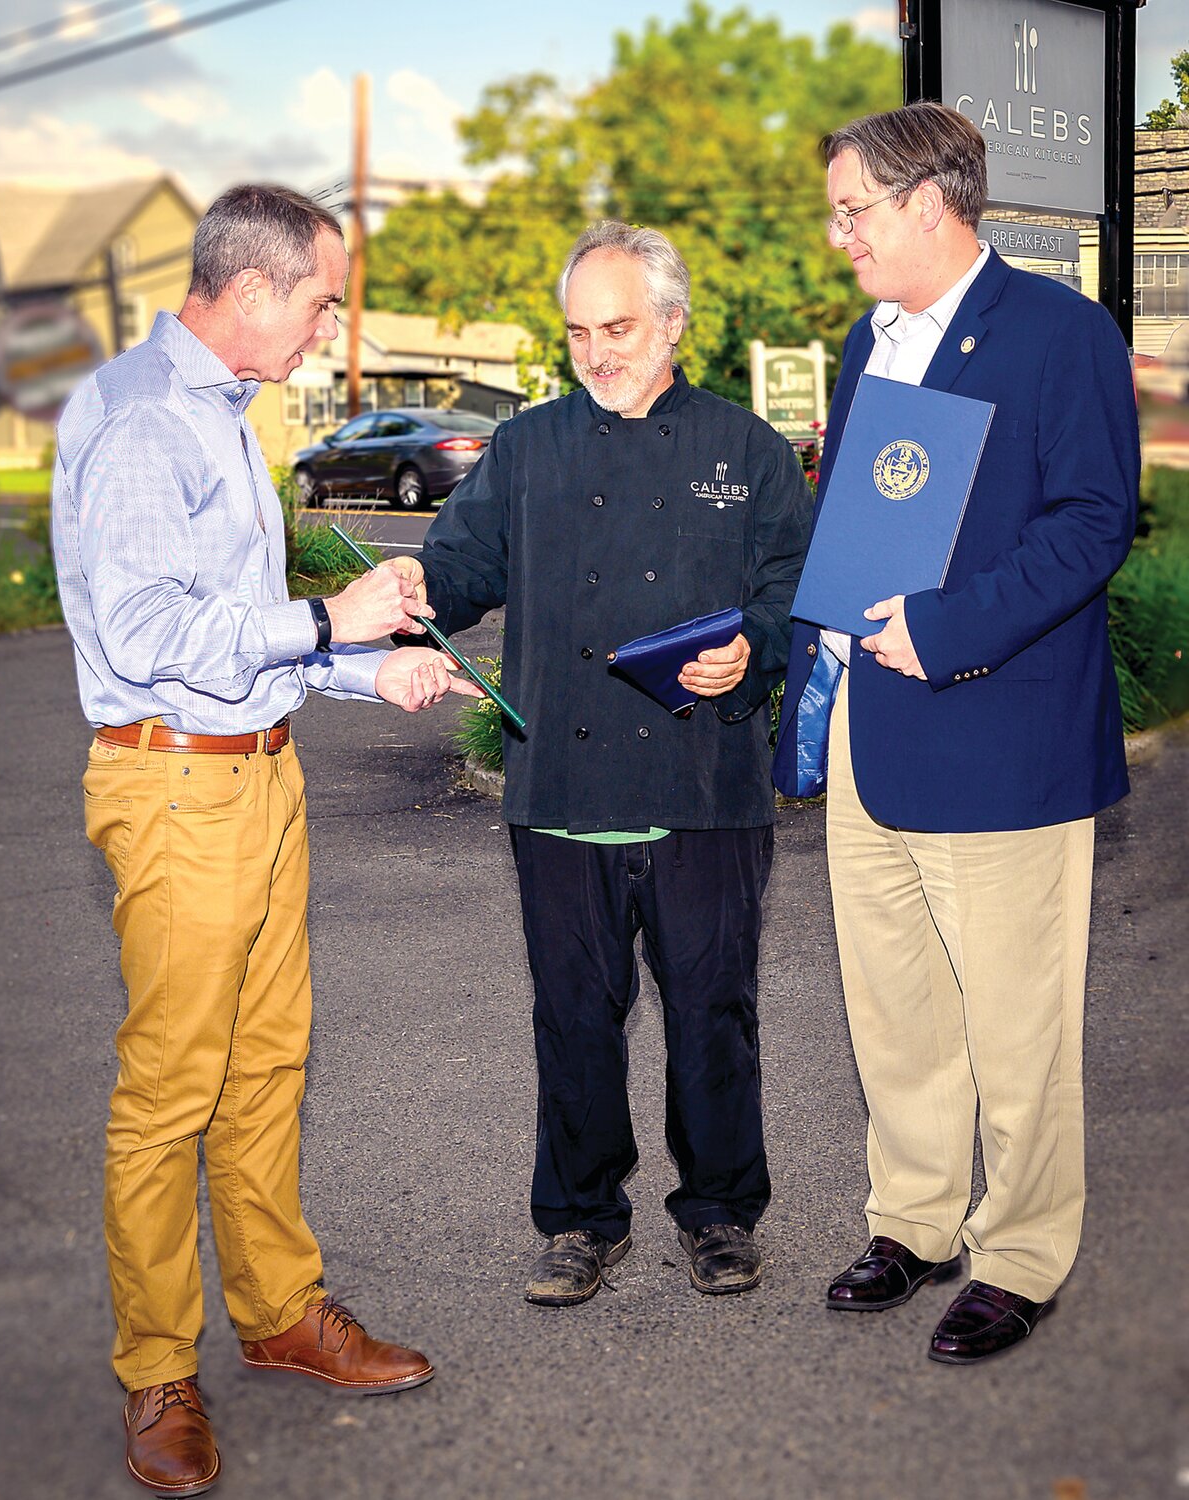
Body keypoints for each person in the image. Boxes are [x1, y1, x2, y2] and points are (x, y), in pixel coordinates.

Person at [51, 185, 479, 1496]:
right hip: (175, 797)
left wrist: (368, 671)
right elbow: (147, 646)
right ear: (249, 292)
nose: (326, 324)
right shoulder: (135, 422)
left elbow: (238, 638)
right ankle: (155, 1374)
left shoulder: (227, 419)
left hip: (258, 779)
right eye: (320, 299)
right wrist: (325, 623)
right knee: (171, 1089)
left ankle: (280, 1314)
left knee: (266, 1065)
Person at [772, 103, 1139, 1363]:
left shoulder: (1059, 333)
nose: (842, 238)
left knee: (1018, 1024)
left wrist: (948, 626)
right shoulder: (863, 345)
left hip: (1001, 737)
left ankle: (1025, 1252)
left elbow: (1094, 525)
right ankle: (916, 1222)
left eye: (853, 211)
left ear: (933, 201)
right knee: (897, 1009)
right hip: (875, 738)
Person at [396, 220, 812, 1306]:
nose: (597, 349)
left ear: (673, 322)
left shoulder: (750, 452)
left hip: (704, 790)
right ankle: (582, 1220)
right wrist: (407, 599)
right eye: (579, 330)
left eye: (619, 326)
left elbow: (794, 595)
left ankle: (720, 1212)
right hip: (563, 790)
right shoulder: (527, 450)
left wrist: (753, 649)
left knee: (714, 1011)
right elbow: (459, 568)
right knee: (573, 1014)